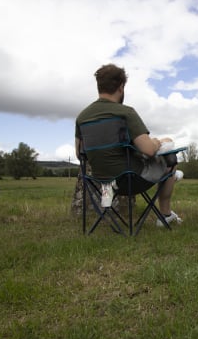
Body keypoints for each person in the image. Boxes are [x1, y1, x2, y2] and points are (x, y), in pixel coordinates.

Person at [75, 63, 182, 226]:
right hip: (130, 181)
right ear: (121, 87)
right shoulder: (125, 113)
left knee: (113, 167)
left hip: (102, 182)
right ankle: (165, 214)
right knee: (171, 161)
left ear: (99, 86)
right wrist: (157, 141)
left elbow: (79, 154)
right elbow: (149, 150)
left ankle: (106, 210)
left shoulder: (82, 117)